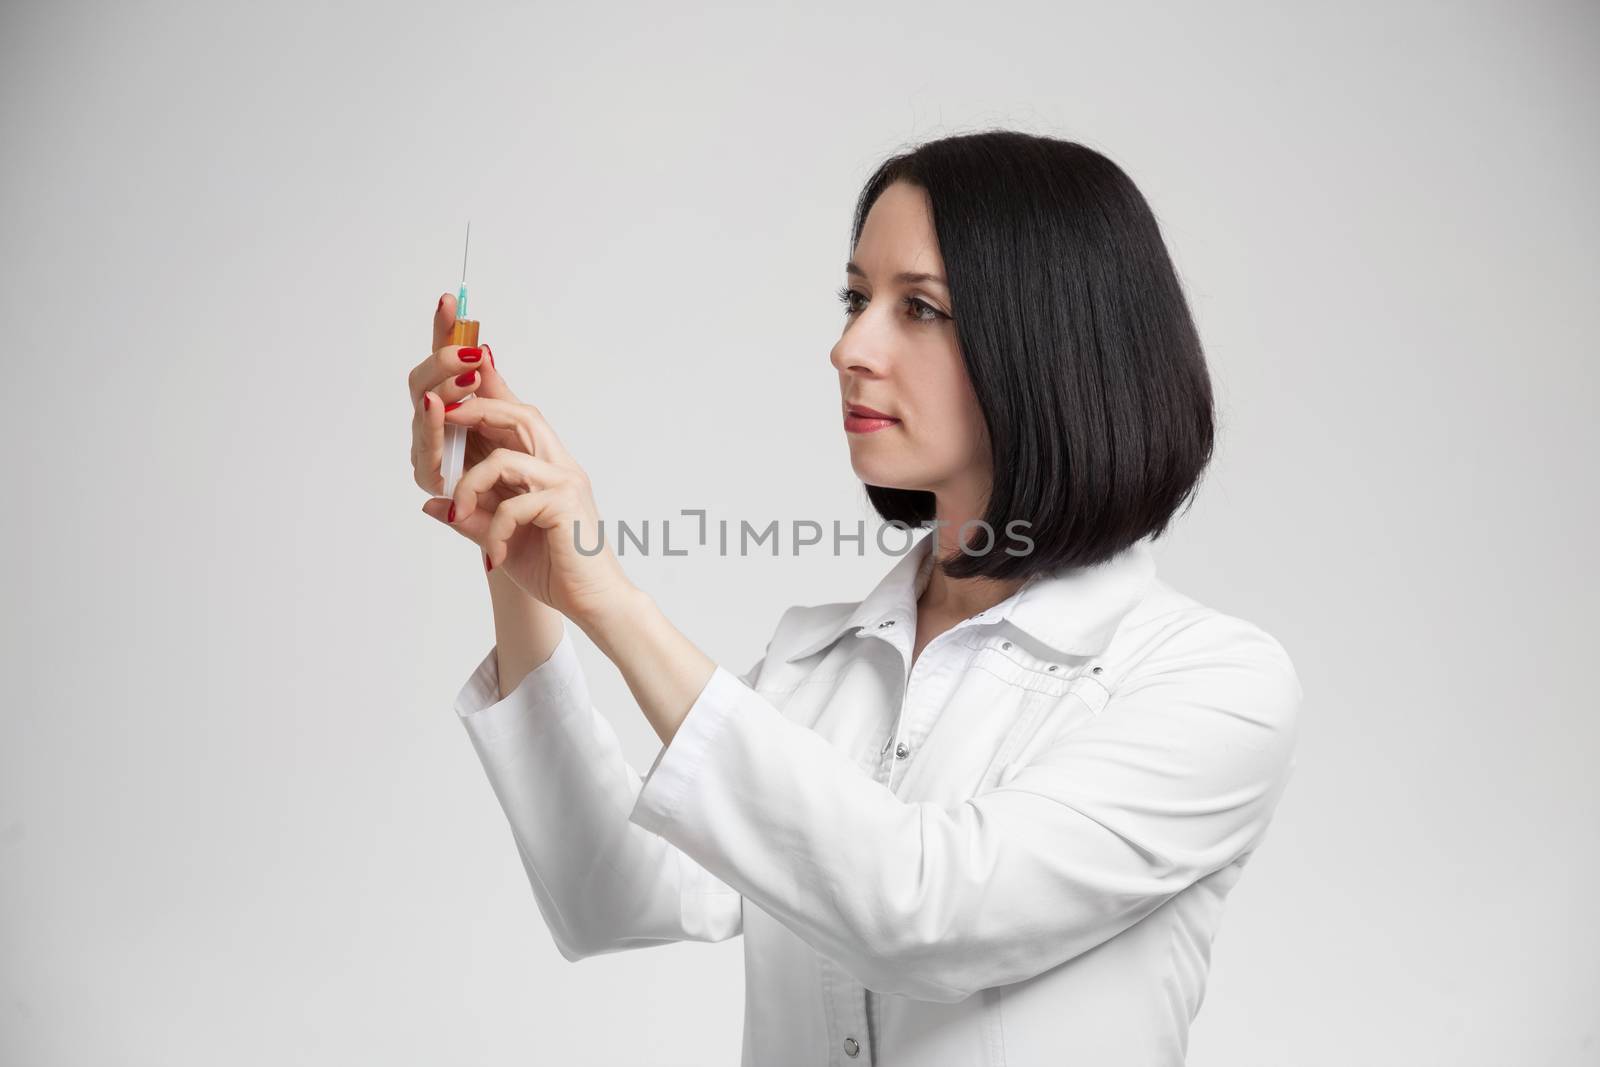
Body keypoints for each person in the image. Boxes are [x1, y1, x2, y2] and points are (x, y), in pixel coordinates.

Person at [406, 130, 1303, 1067]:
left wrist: (619, 607)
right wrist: (528, 569)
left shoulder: (1212, 684)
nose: (848, 347)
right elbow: (611, 894)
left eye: (919, 307)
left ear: (1051, 341)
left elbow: (928, 912)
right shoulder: (819, 665)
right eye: (855, 298)